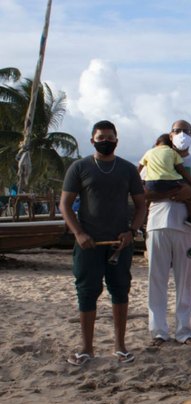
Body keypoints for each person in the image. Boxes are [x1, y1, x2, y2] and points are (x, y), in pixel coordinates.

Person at [59, 120, 146, 366]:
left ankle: (120, 346)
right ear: (92, 140)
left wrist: (132, 231)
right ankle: (86, 348)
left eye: (110, 137)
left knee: (120, 291)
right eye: (101, 137)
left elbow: (141, 205)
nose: (106, 141)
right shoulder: (79, 167)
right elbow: (65, 205)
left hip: (120, 243)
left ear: (117, 140)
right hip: (88, 244)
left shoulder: (128, 169)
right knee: (87, 292)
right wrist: (78, 233)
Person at [143, 120, 191, 347]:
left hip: (186, 228)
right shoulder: (155, 157)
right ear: (169, 135)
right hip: (157, 223)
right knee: (157, 278)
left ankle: (184, 330)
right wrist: (170, 193)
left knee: (185, 281)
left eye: (186, 131)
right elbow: (142, 192)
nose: (182, 134)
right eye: (177, 131)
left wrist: (189, 192)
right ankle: (158, 331)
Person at [138, 132, 191, 228]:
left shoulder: (149, 152)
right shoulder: (173, 152)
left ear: (156, 142)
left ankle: (144, 220)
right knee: (188, 196)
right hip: (169, 181)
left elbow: (140, 167)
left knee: (147, 202)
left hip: (151, 182)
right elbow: (182, 170)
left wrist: (138, 180)